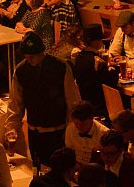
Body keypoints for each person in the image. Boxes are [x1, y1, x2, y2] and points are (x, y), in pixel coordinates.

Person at [9, 31, 81, 166]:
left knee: (59, 168)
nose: (29, 60)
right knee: (37, 168)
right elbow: (16, 103)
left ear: (42, 52)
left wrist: (72, 128)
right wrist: (12, 127)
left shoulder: (60, 67)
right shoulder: (21, 70)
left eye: (32, 56)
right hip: (34, 130)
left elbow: (73, 100)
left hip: (58, 130)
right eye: (26, 57)